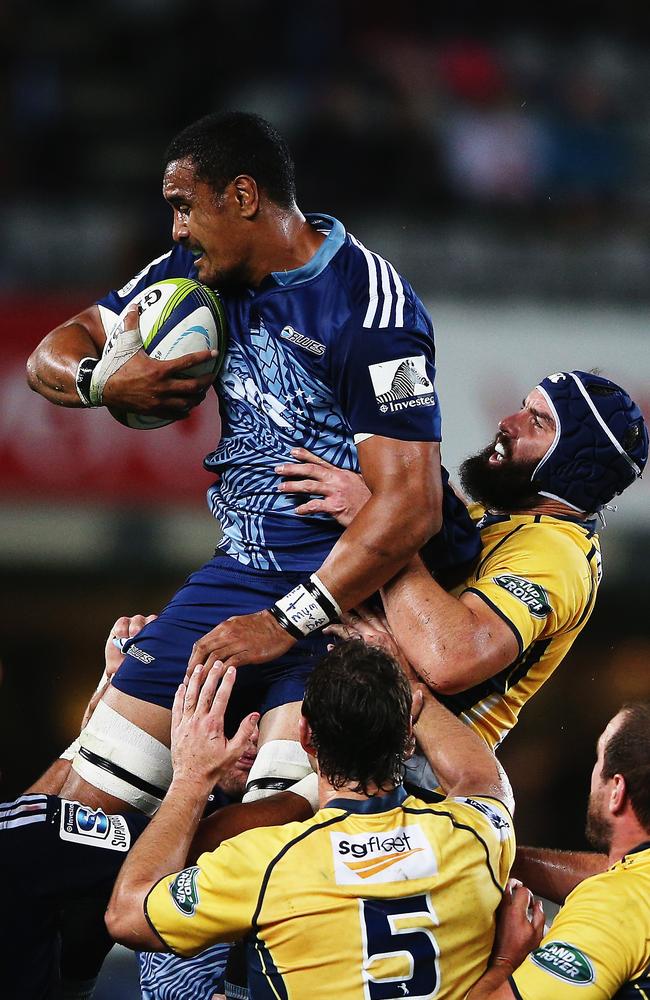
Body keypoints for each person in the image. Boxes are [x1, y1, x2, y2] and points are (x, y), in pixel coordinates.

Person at [26, 110, 480, 816]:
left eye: (183, 206)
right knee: (72, 803)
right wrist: (101, 380)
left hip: (344, 601)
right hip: (239, 576)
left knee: (276, 829)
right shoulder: (193, 271)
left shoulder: (373, 311)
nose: (175, 229)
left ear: (241, 197)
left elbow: (411, 507)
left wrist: (285, 621)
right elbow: (52, 352)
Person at [279, 369, 648, 769]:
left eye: (538, 421)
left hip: (423, 778)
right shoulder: (506, 517)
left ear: (575, 464)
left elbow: (450, 657)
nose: (508, 423)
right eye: (525, 407)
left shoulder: (556, 556)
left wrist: (380, 525)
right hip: (376, 742)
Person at [106, 640, 516, 999]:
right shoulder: (474, 834)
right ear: (409, 734)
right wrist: (411, 683)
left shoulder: (264, 862)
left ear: (304, 736)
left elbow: (125, 915)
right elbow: (482, 779)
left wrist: (191, 779)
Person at [466, 701, 650, 999]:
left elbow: (620, 895)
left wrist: (507, 959)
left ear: (617, 790)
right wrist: (499, 858)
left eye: (598, 758)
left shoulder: (613, 904)